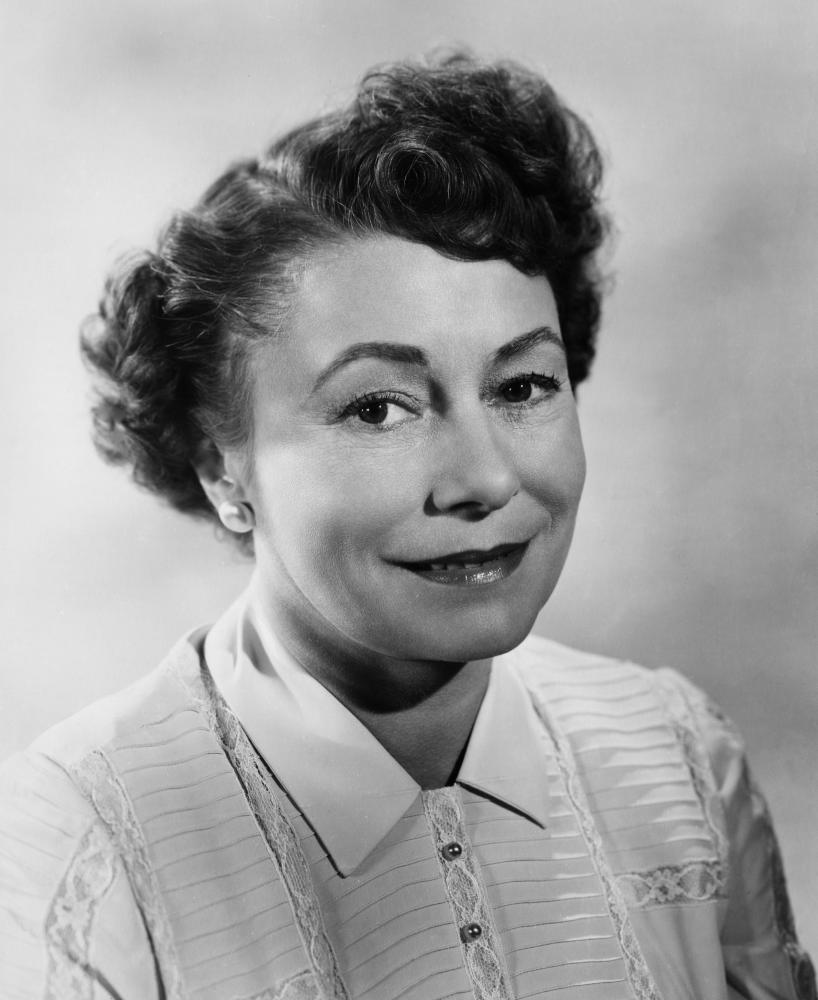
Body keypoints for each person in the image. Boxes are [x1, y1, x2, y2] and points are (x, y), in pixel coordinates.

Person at [0, 52, 813, 1000]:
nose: (484, 479)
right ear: (221, 465)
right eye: (378, 407)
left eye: (523, 387)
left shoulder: (679, 755)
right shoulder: (80, 837)